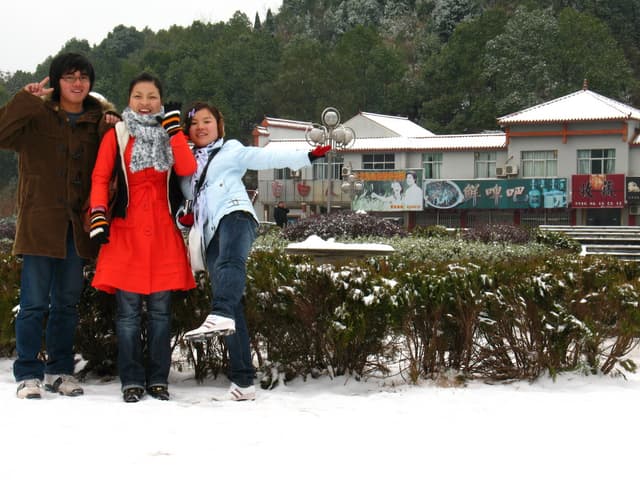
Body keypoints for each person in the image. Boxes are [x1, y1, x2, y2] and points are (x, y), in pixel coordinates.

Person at [180, 102, 330, 401]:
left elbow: (265, 155)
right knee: (232, 306)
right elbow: (184, 201)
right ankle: (244, 382)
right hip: (208, 233)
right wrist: (183, 215)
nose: (201, 127)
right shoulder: (184, 167)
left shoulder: (231, 150)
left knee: (231, 265)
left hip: (235, 215)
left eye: (207, 121)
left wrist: (306, 155)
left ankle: (218, 313)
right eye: (195, 123)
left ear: (218, 125)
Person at [0, 52, 118, 399]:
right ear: (57, 82)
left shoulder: (98, 120)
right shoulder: (36, 115)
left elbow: (117, 155)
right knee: (34, 303)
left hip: (77, 226)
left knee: (66, 303)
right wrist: (25, 99)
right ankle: (28, 374)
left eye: (83, 77)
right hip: (40, 222)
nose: (77, 83)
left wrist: (114, 120)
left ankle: (60, 370)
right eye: (69, 77)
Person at [88, 73, 197, 403]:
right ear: (129, 100)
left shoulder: (169, 131)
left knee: (162, 312)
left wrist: (175, 131)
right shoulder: (117, 134)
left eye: (152, 96)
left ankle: (158, 379)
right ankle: (132, 379)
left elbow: (187, 167)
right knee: (128, 313)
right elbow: (100, 176)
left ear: (161, 101)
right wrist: (98, 215)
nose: (145, 103)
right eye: (139, 96)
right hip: (126, 231)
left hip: (163, 231)